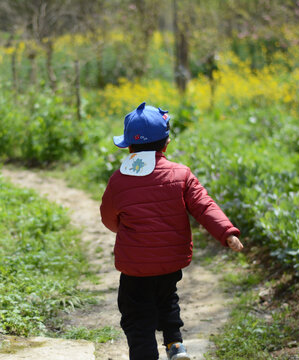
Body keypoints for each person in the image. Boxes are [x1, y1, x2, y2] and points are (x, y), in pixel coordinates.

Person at [100, 102, 244, 360]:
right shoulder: (181, 175)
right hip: (169, 263)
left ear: (129, 147)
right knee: (167, 300)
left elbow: (108, 218)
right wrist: (226, 232)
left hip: (135, 267)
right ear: (165, 144)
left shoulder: (119, 180)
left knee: (137, 316)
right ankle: (175, 345)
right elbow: (204, 206)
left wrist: (121, 230)